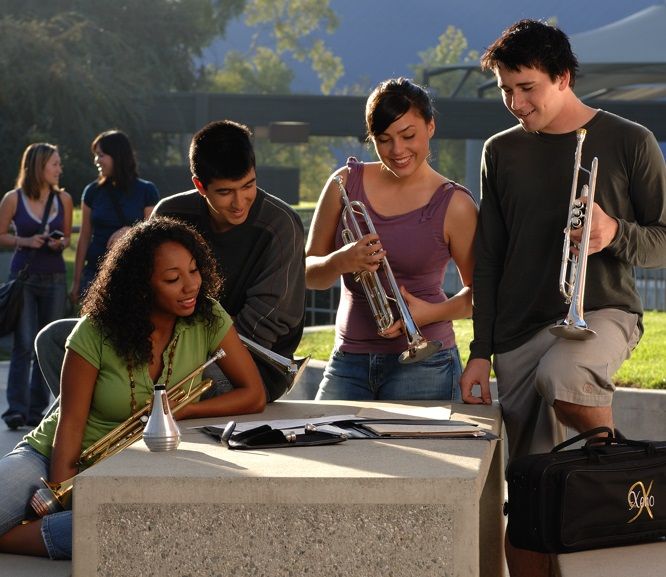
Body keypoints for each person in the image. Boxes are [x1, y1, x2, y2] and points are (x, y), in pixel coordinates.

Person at [458, 19, 666, 577]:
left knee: (565, 375)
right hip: (518, 332)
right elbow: (491, 257)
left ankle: (621, 467)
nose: (515, 102)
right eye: (505, 89)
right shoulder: (500, 151)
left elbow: (664, 239)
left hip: (602, 312)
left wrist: (612, 233)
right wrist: (481, 350)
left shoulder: (630, 141)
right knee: (529, 498)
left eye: (527, 87)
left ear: (563, 78)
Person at [0, 216, 266, 559]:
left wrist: (182, 410)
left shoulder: (208, 316)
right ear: (141, 287)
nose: (190, 286)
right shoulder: (95, 332)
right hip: (50, 456)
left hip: (128, 467)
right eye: (172, 278)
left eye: (194, 270)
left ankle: (15, 539)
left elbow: (253, 394)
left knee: (133, 525)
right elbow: (69, 424)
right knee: (108, 525)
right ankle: (56, 529)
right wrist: (63, 495)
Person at [306, 77, 478, 401]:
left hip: (428, 362)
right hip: (348, 360)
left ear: (430, 127)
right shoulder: (343, 184)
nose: (397, 151)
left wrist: (428, 313)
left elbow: (480, 296)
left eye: (408, 135)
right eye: (384, 140)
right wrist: (340, 260)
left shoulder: (455, 204)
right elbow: (308, 273)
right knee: (324, 447)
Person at [152, 120, 306, 402]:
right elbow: (152, 295)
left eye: (248, 185)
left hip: (254, 365)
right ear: (200, 186)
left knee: (129, 383)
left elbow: (264, 326)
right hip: (170, 345)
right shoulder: (169, 213)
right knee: (58, 339)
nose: (239, 202)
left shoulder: (282, 225)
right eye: (225, 192)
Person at [0, 143, 73, 430]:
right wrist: (25, 241)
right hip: (25, 279)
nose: (59, 169)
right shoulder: (13, 199)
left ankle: (36, 409)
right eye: (54, 163)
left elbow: (66, 238)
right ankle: (15, 410)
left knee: (47, 344)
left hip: (54, 277)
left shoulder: (64, 198)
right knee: (23, 344)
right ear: (38, 166)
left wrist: (60, 243)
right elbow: (1, 235)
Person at [70, 129, 159, 301]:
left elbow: (152, 233)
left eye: (101, 155)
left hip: (131, 275)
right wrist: (76, 281)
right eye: (96, 155)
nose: (96, 160)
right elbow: (84, 237)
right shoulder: (92, 191)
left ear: (117, 156)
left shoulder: (147, 190)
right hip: (94, 274)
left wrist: (130, 230)